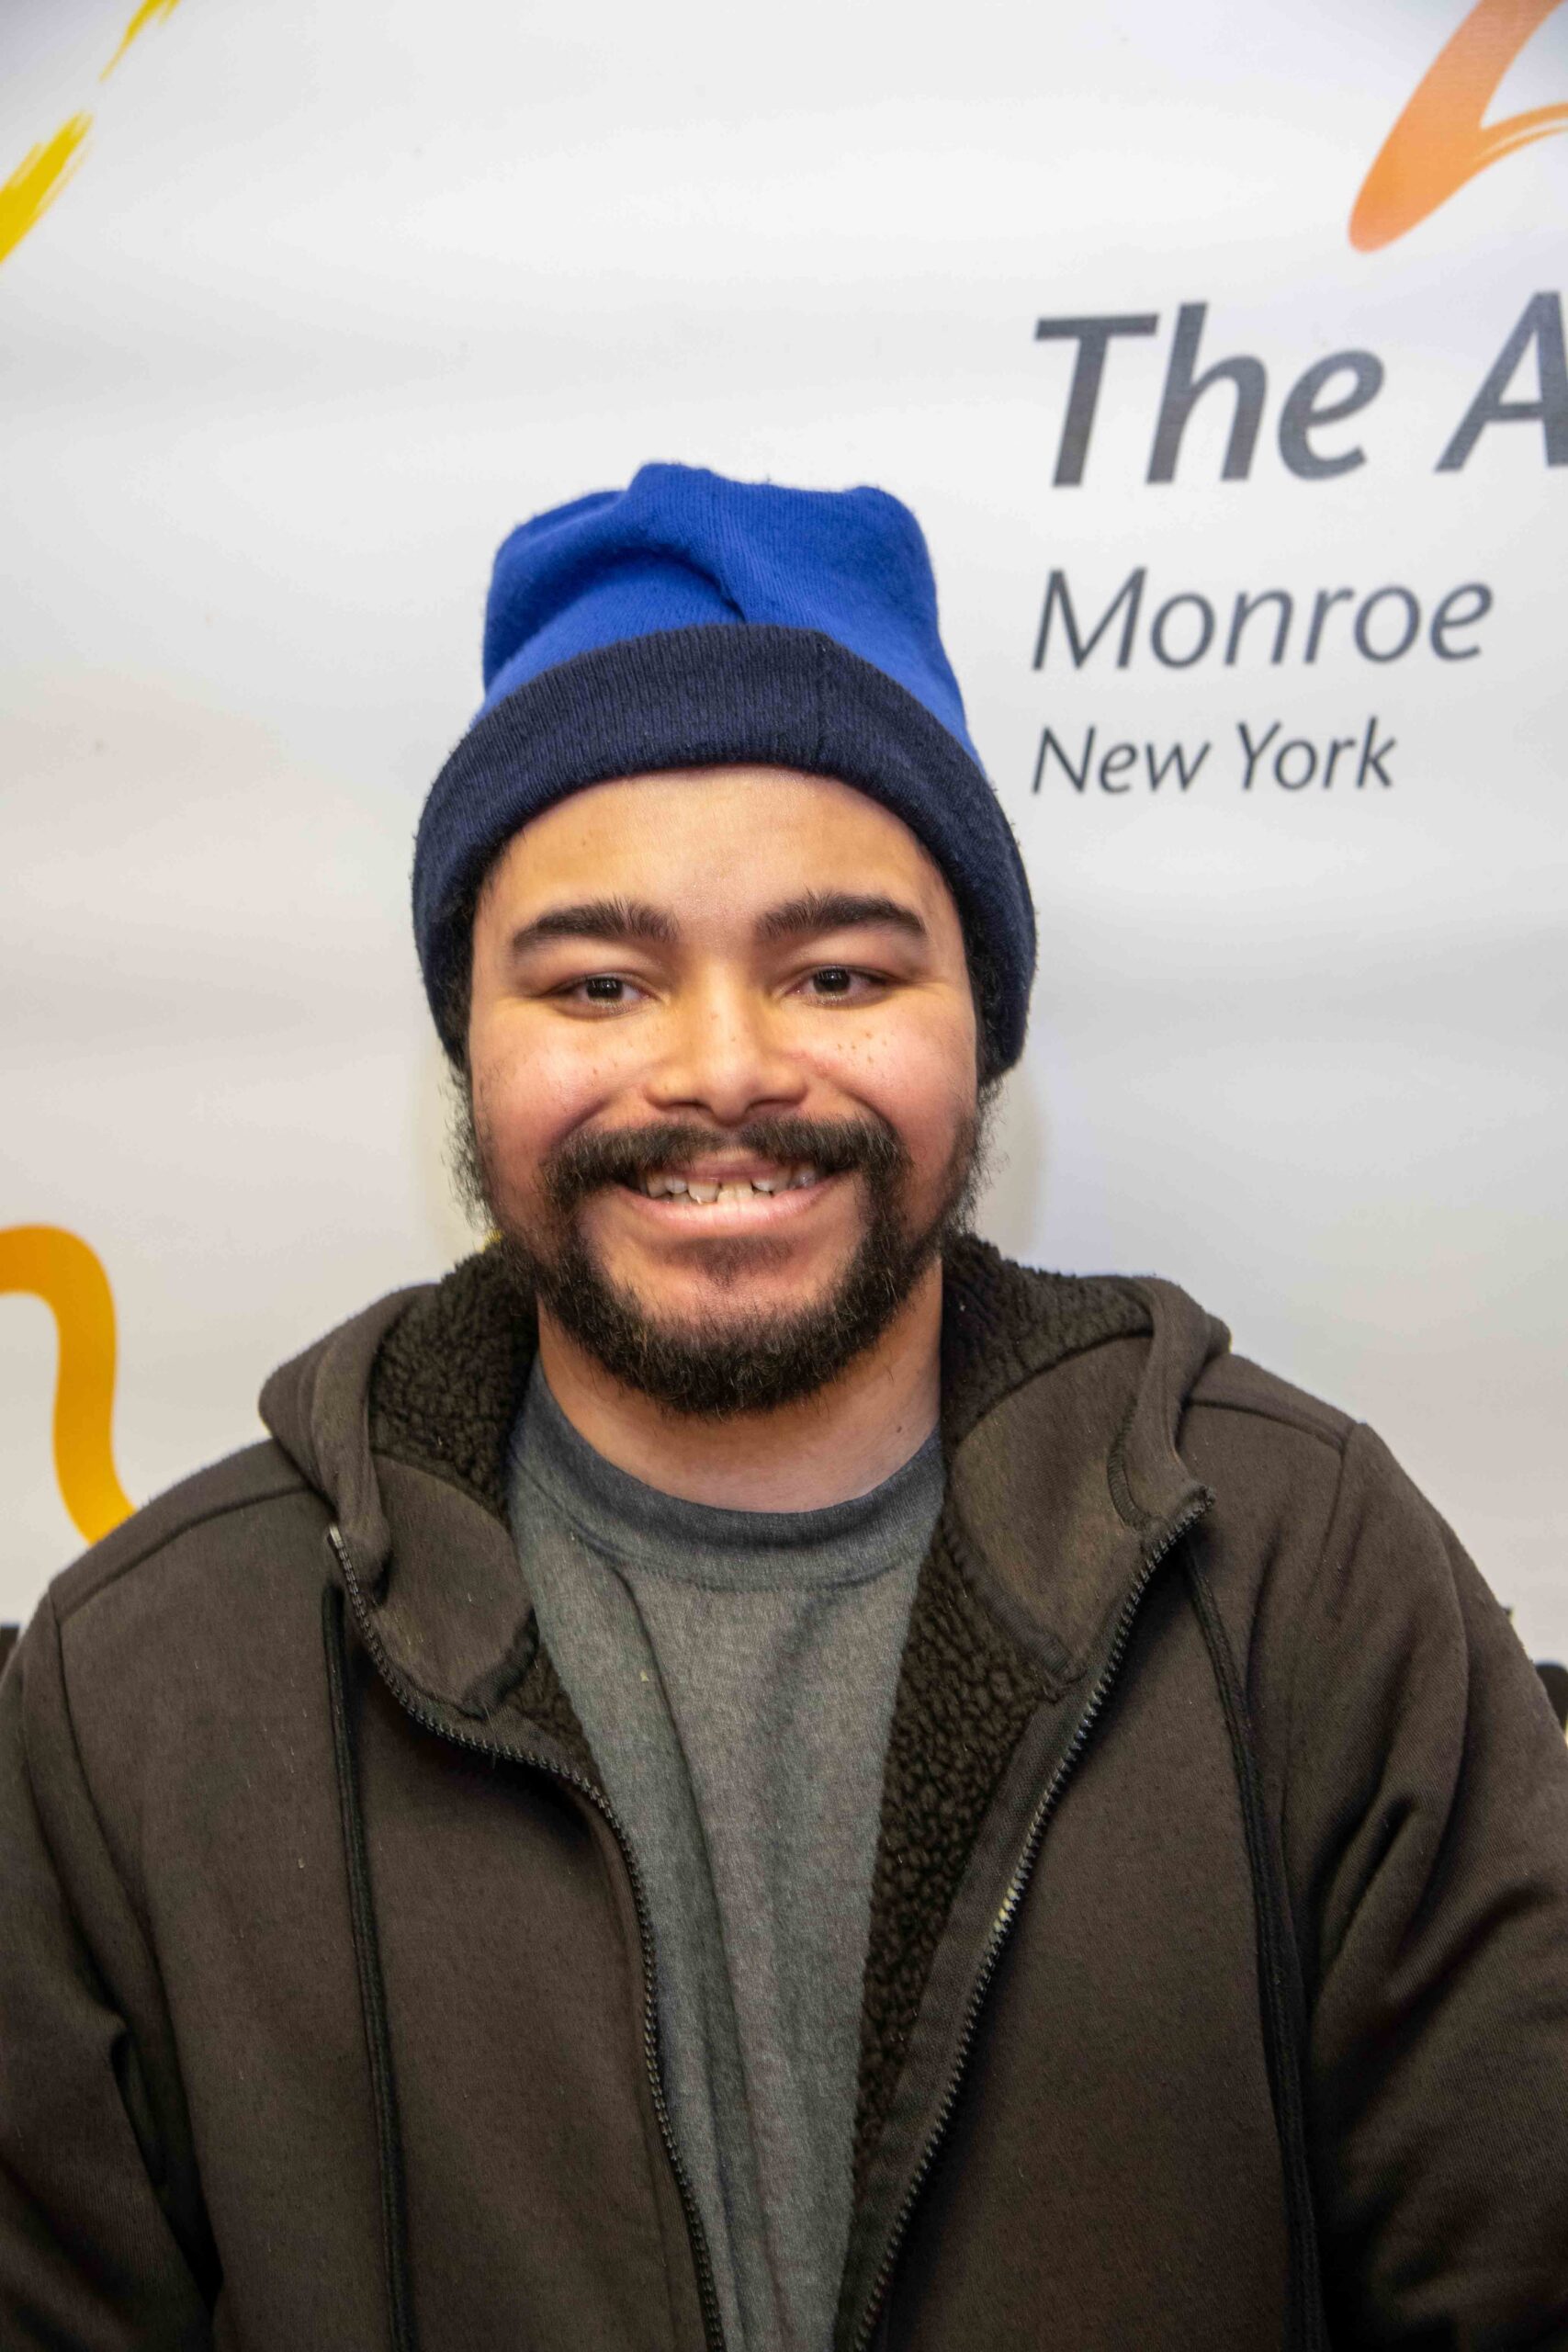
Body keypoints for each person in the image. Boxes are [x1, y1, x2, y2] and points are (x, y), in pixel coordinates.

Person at [1, 463, 1564, 2352]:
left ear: (978, 1022)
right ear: (468, 1044)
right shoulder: (144, 1682)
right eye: (600, 982)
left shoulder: (1301, 1574)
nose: (723, 1068)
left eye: (835, 970)